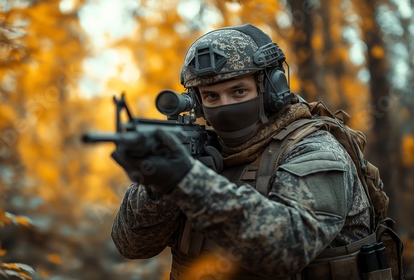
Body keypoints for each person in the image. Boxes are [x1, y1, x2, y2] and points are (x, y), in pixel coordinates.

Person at [109, 23, 375, 279]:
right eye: (211, 96)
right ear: (198, 103)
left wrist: (187, 181)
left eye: (239, 91)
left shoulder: (314, 150)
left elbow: (288, 249)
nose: (224, 105)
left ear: (273, 89)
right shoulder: (200, 151)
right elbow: (132, 246)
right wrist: (158, 188)